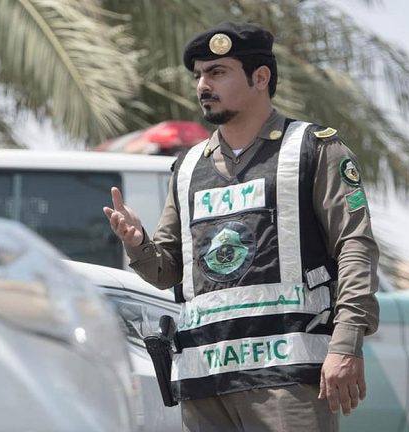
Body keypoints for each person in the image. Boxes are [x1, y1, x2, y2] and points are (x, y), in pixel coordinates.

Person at [103, 22, 379, 431]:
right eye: (199, 75)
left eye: (217, 72)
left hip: (288, 378)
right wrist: (138, 243)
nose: (203, 85)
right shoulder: (187, 167)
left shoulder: (313, 148)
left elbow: (355, 247)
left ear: (260, 77)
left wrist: (347, 343)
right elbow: (167, 271)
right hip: (205, 381)